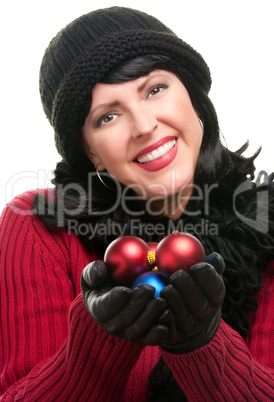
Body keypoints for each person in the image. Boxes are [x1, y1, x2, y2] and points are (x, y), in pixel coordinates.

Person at [0, 6, 273, 401]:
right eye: (108, 116)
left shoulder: (267, 227)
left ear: (194, 96)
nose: (144, 126)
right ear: (90, 152)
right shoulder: (39, 228)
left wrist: (201, 343)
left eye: (155, 89)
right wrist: (96, 346)